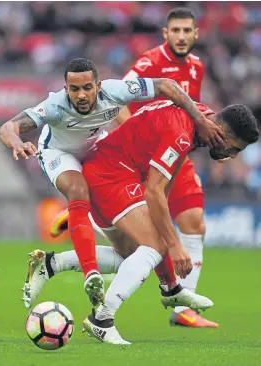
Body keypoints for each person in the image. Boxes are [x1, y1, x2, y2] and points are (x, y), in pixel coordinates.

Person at [0, 57, 224, 307]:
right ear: (66, 90)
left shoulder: (116, 90)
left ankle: (51, 262)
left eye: (87, 87)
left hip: (97, 150)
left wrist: (200, 119)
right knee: (78, 188)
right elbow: (9, 127)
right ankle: (91, 272)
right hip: (59, 154)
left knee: (128, 252)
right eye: (74, 89)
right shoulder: (54, 105)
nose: (81, 95)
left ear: (98, 85)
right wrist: (17, 143)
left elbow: (167, 86)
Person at [47, 8, 221, 326]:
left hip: (175, 150)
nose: (181, 36)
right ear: (165, 34)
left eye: (187, 31)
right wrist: (129, 140)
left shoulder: (197, 66)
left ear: (196, 35)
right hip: (144, 152)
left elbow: (187, 111)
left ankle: (182, 307)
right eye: (175, 30)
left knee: (194, 223)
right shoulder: (149, 61)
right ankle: (86, 214)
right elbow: (115, 100)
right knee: (146, 236)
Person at [79, 101, 259, 344]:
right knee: (156, 247)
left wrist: (166, 230)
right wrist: (175, 246)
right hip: (109, 174)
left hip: (119, 171)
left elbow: (161, 188)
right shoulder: (182, 132)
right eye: (234, 148)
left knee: (144, 246)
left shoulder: (200, 117)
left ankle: (171, 290)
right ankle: (101, 319)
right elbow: (153, 191)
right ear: (223, 134)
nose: (232, 156)